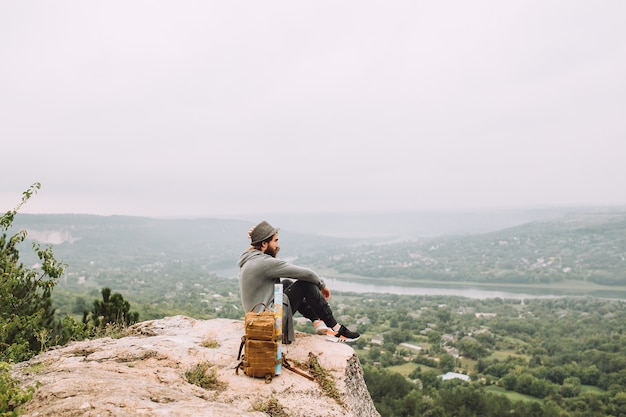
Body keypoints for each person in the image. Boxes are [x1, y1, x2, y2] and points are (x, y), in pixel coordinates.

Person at [237, 220, 360, 344]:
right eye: (275, 241)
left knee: (286, 283)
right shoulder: (264, 263)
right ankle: (336, 329)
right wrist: (322, 286)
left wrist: (257, 235)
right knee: (305, 284)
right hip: (269, 324)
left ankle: (317, 321)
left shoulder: (250, 257)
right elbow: (307, 274)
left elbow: (263, 250)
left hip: (258, 320)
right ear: (264, 244)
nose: (277, 245)